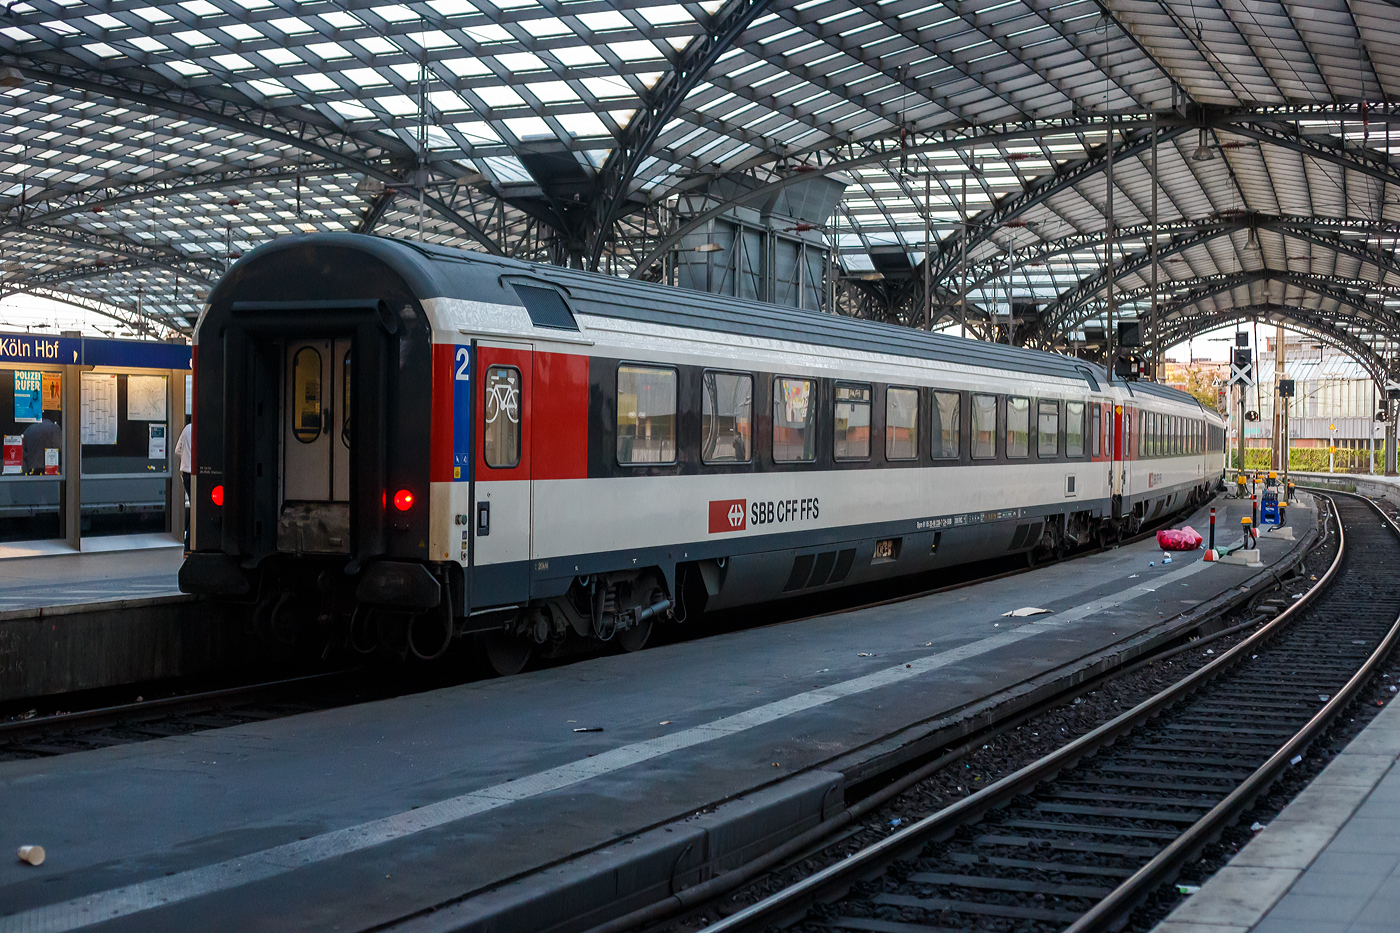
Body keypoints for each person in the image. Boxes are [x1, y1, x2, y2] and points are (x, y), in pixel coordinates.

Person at [175, 421, 193, 549]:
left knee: (194, 508)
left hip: (186, 473)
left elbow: (177, 450)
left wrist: (186, 460)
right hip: (197, 474)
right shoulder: (203, 429)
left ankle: (189, 544)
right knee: (197, 510)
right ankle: (189, 544)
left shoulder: (187, 428)